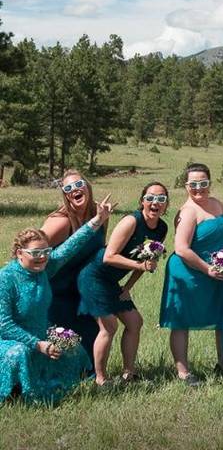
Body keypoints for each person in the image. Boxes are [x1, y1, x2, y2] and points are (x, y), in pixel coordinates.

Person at [1, 195, 115, 403]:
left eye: (46, 251)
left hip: (41, 330)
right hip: (10, 340)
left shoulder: (46, 267)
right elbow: (4, 324)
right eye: (36, 252)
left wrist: (98, 220)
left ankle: (64, 386)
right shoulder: (6, 278)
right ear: (19, 253)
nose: (42, 256)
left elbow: (71, 245)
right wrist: (38, 344)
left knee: (73, 346)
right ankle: (15, 394)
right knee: (18, 354)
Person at [159, 163, 223, 386]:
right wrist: (207, 268)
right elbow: (181, 248)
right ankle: (183, 372)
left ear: (210, 183)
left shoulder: (216, 204)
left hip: (217, 273)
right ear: (186, 185)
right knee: (182, 321)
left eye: (203, 183)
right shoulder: (188, 212)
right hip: (189, 273)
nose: (198, 188)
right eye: (193, 184)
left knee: (221, 317)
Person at [77, 182, 169, 385]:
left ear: (166, 204)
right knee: (109, 326)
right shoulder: (131, 221)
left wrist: (127, 288)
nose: (155, 202)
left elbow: (149, 261)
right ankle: (100, 379)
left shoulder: (162, 228)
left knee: (135, 322)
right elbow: (109, 257)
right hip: (93, 276)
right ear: (142, 201)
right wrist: (140, 264)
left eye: (161, 199)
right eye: (151, 198)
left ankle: (129, 374)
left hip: (112, 281)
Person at [40, 169, 107, 364]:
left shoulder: (99, 214)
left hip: (79, 291)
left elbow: (98, 249)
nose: (74, 190)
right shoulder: (60, 222)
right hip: (54, 294)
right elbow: (31, 246)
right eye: (68, 187)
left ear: (87, 186)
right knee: (62, 351)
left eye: (79, 184)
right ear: (64, 193)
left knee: (90, 344)